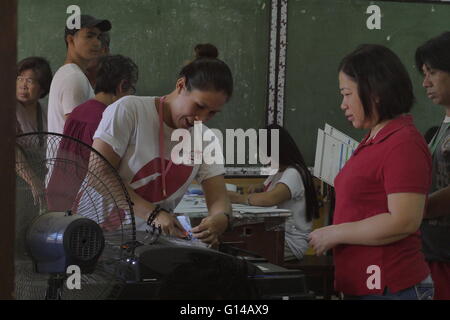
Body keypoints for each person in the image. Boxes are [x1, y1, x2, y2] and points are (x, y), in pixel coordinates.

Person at [309, 44, 433, 300]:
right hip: (365, 286)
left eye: (347, 94)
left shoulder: (403, 143)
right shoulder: (374, 139)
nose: (343, 104)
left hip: (392, 288)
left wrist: (336, 232)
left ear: (374, 92)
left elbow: (404, 220)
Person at [91, 44, 233, 246]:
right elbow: (97, 173)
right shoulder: (130, 110)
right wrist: (153, 214)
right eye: (199, 106)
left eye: (212, 113)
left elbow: (219, 198)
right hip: (101, 235)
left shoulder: (206, 139)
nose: (201, 118)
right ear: (181, 85)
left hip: (150, 241)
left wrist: (220, 219)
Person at [228, 124, 320, 261]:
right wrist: (258, 187)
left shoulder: (293, 173)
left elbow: (271, 198)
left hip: (289, 242)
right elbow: (266, 188)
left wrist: (239, 198)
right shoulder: (278, 171)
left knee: (235, 249)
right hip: (276, 234)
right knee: (233, 242)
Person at [415, 32, 450, 300]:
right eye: (424, 73)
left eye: (433, 72)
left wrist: (411, 209)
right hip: (432, 250)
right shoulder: (442, 127)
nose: (425, 82)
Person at [47, 14, 111, 134]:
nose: (97, 43)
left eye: (98, 37)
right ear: (71, 40)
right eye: (89, 36)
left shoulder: (71, 73)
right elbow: (75, 137)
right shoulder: (73, 77)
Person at [16, 57, 53, 133]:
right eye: (19, 79)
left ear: (42, 88)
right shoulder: (7, 109)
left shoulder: (47, 113)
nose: (23, 86)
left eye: (29, 81)